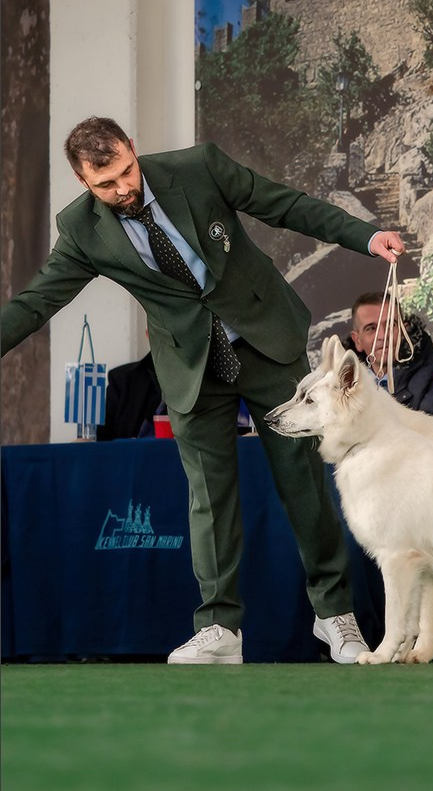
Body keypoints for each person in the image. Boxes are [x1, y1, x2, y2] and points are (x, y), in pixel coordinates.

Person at [1, 116, 405, 666]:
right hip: (191, 366)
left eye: (126, 172)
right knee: (208, 500)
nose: (123, 189)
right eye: (106, 184)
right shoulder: (81, 230)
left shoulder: (198, 168)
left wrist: (364, 236)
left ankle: (335, 616)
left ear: (132, 151)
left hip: (264, 341)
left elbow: (285, 204)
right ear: (82, 181)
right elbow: (36, 302)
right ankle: (220, 629)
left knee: (303, 485)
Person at [340, 291, 433, 660]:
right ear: (357, 339)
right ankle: (365, 637)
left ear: (402, 329)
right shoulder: (342, 379)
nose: (381, 334)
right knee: (347, 535)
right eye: (371, 328)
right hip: (368, 492)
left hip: (427, 492)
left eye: (389, 325)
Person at [97, 351, 163, 440]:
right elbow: (102, 439)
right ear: (148, 336)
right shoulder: (122, 380)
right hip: (128, 452)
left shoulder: (187, 383)